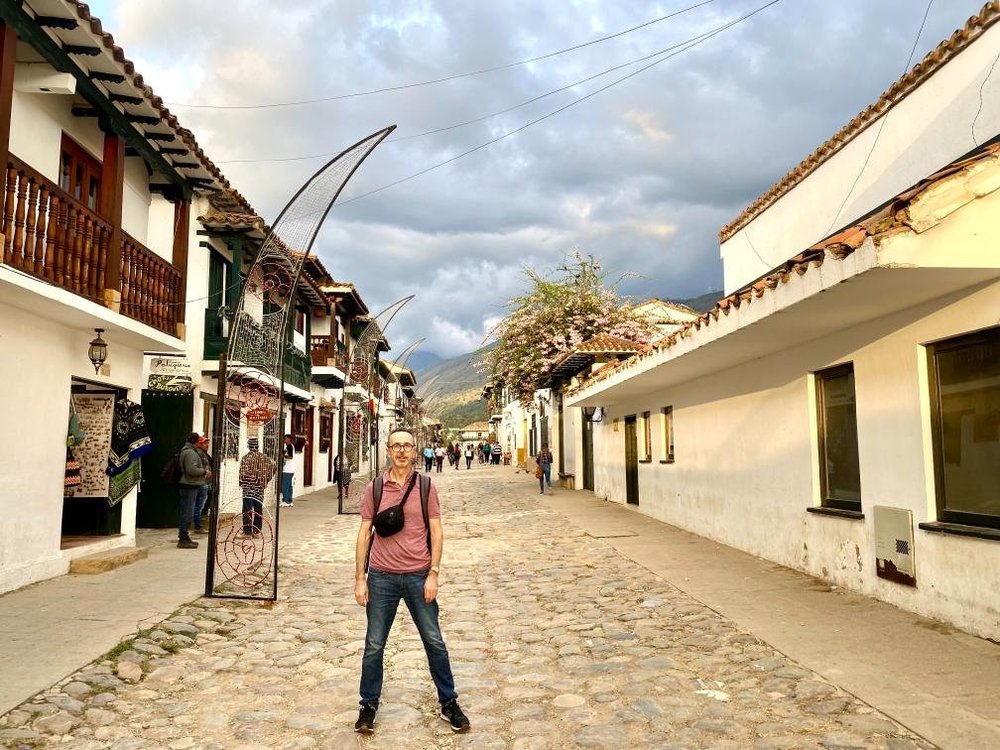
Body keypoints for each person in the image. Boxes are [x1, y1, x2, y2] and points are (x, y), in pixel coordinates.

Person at [353, 429, 470, 735]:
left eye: (407, 446)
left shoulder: (426, 487)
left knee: (434, 642)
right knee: (374, 645)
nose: (402, 451)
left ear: (414, 451)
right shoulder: (375, 488)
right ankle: (368, 706)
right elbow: (364, 533)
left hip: (419, 576)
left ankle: (449, 703)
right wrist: (359, 578)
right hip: (381, 577)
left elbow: (437, 530)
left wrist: (434, 573)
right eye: (396, 446)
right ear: (388, 451)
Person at [177, 432, 210, 549]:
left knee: (187, 512)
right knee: (187, 513)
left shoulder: (189, 451)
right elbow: (191, 470)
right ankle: (183, 538)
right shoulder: (190, 453)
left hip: (191, 484)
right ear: (195, 441)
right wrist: (204, 471)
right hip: (189, 485)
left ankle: (185, 537)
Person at [239, 437, 276, 536]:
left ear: (249, 447)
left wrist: (244, 483)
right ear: (258, 446)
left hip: (248, 488)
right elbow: (273, 468)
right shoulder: (264, 458)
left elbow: (242, 474)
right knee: (258, 508)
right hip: (259, 488)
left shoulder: (246, 458)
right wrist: (265, 480)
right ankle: (256, 530)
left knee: (247, 509)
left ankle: (247, 531)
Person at [192, 435, 212, 534]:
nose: (207, 445)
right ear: (199, 443)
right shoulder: (199, 453)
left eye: (207, 443)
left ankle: (199, 523)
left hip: (206, 482)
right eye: (205, 443)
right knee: (199, 505)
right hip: (202, 482)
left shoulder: (204, 454)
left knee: (203, 504)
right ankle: (198, 526)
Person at [281, 434, 295, 506]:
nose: (284, 440)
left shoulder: (289, 446)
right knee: (289, 485)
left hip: (288, 469)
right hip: (290, 469)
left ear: (289, 439)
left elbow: (290, 457)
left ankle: (285, 500)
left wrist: (283, 456)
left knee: (285, 485)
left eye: (285, 439)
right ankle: (289, 500)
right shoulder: (288, 447)